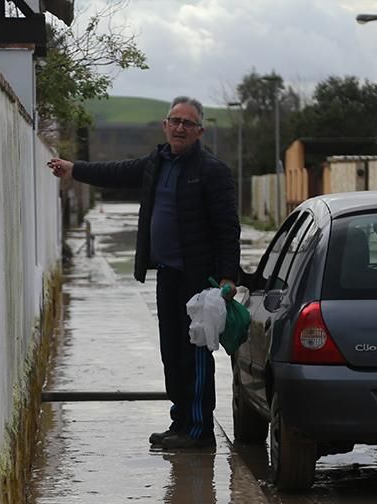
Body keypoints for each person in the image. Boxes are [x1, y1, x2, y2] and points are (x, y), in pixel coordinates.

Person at [48, 96, 240, 451]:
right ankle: (180, 421)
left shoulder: (213, 171)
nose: (180, 127)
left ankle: (199, 432)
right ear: (165, 126)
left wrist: (228, 277)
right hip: (167, 276)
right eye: (174, 120)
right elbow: (116, 171)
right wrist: (75, 169)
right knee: (171, 353)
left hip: (200, 283)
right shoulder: (156, 163)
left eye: (188, 122)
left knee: (194, 354)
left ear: (200, 131)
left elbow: (228, 228)